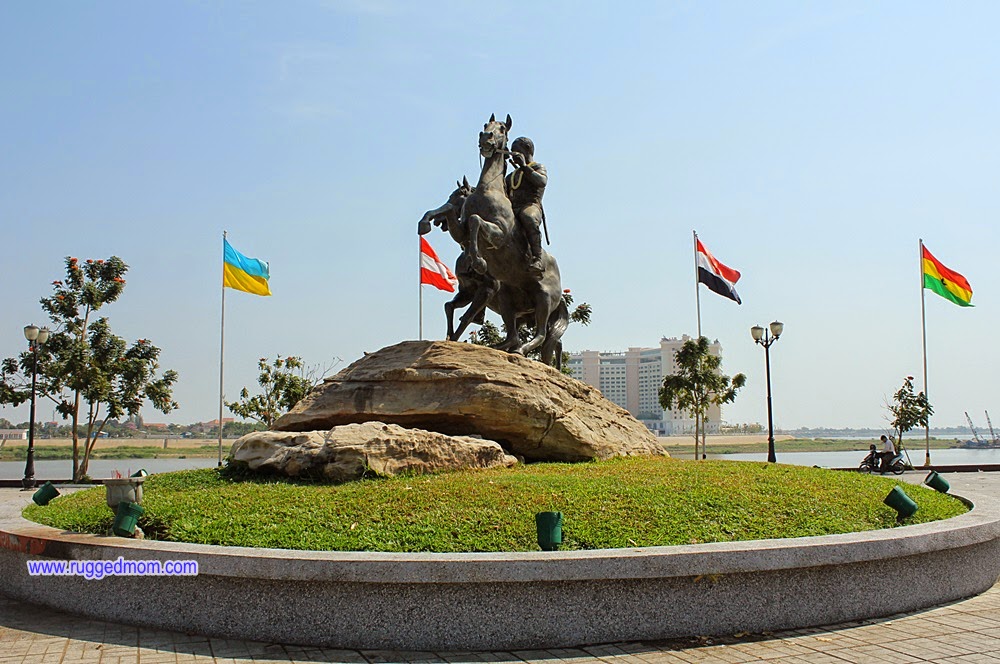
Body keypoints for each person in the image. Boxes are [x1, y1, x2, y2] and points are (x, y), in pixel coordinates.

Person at [504, 136, 548, 275]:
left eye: (516, 151)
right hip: (512, 208)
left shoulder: (538, 167)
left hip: (530, 205)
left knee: (528, 217)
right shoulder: (511, 176)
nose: (514, 154)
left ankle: (537, 258)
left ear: (527, 150)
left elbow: (541, 181)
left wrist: (523, 166)